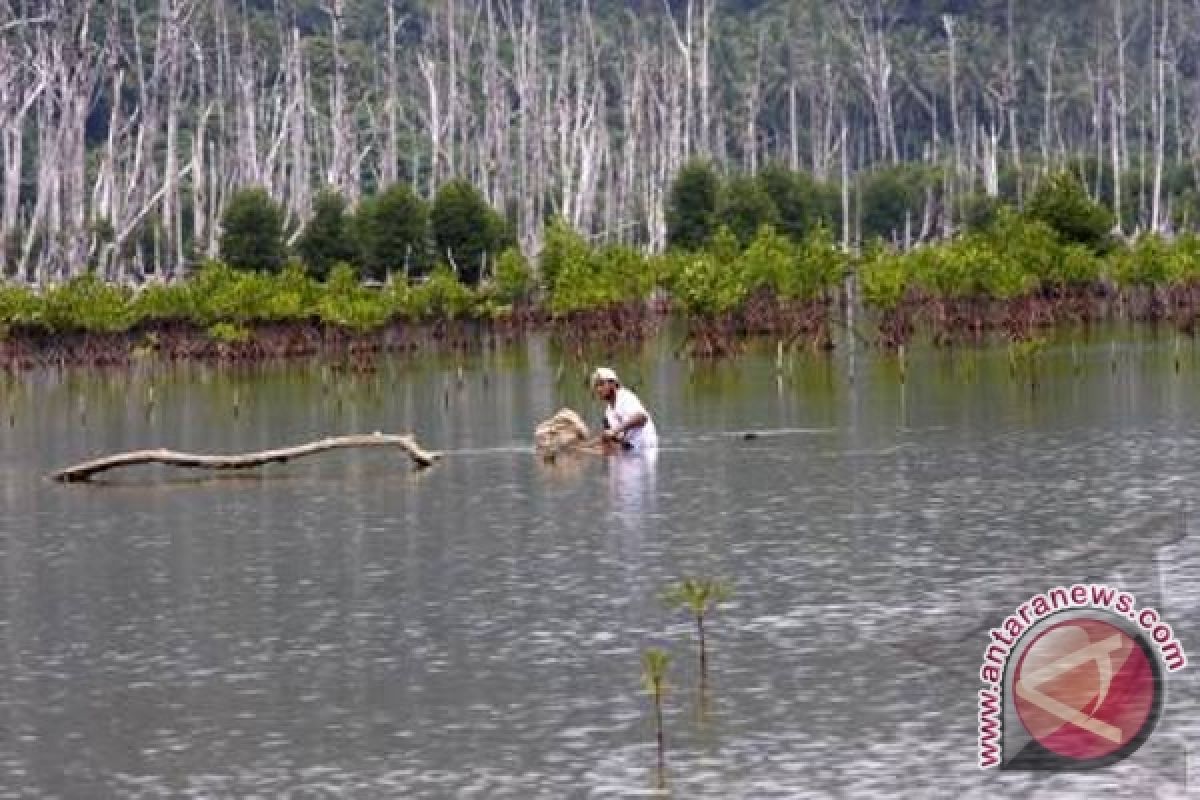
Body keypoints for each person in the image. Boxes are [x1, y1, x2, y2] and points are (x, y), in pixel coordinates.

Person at [591, 367, 658, 452]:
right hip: (630, 449)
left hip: (644, 449)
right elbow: (613, 438)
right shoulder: (608, 413)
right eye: (596, 386)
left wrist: (615, 430)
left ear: (613, 384)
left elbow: (642, 418)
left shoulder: (625, 397)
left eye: (601, 384)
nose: (598, 389)